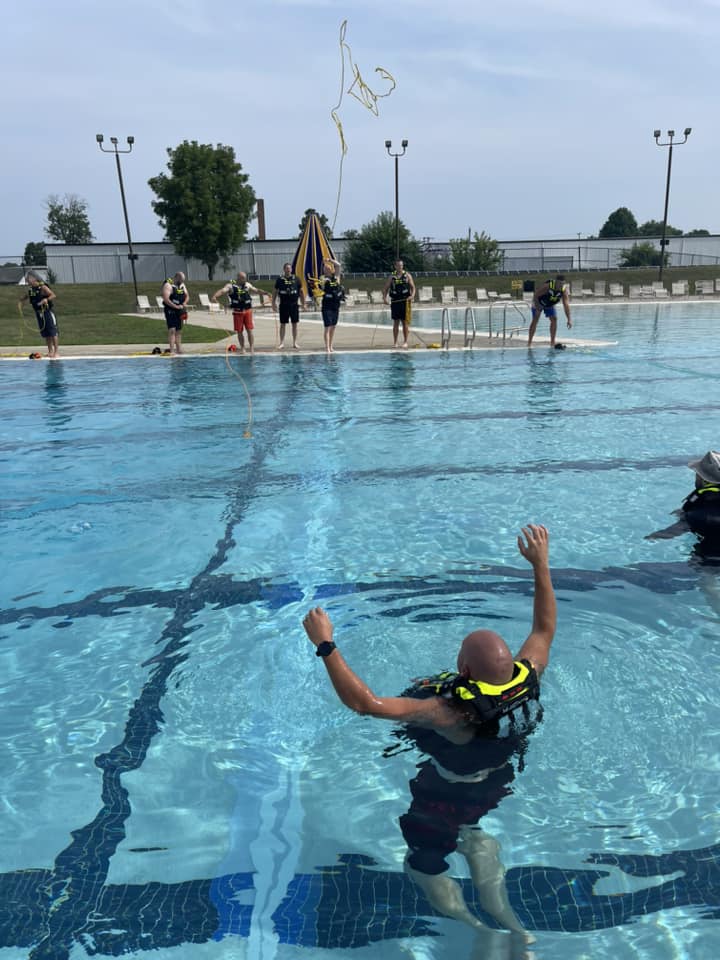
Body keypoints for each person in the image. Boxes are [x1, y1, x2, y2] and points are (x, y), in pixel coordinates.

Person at [303, 524, 556, 943]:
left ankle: (479, 929)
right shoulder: (529, 674)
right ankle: (516, 928)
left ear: (466, 671)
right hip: (497, 781)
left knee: (422, 863)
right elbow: (544, 629)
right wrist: (540, 564)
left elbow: (367, 704)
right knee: (473, 834)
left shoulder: (450, 712)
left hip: (445, 794)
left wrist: (325, 645)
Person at [646, 451, 720, 550]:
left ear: (704, 480)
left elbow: (671, 533)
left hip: (707, 561)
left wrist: (651, 537)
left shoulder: (696, 515)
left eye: (697, 473)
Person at [213, 272, 269, 354]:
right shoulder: (230, 286)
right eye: (243, 278)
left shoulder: (247, 285)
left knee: (250, 330)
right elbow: (222, 291)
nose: (244, 279)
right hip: (237, 311)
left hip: (248, 310)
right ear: (238, 278)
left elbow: (256, 290)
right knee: (239, 331)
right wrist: (215, 296)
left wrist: (266, 293)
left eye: (245, 277)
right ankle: (243, 348)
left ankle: (251, 348)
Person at [18, 271, 59, 358]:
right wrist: (21, 302)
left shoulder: (43, 287)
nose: (27, 280)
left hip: (47, 312)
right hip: (39, 313)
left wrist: (46, 300)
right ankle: (50, 351)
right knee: (46, 333)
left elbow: (53, 295)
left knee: (52, 332)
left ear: (34, 278)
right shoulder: (31, 289)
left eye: (28, 278)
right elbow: (25, 297)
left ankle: (56, 352)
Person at [528, 275, 572, 348]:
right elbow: (536, 295)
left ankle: (552, 342)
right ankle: (529, 343)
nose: (560, 285)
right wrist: (538, 307)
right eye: (559, 283)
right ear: (555, 282)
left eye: (562, 284)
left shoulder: (564, 290)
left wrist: (569, 319)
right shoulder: (548, 286)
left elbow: (566, 305)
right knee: (535, 319)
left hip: (549, 304)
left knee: (554, 319)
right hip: (538, 301)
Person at [383, 259, 416, 348]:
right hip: (395, 301)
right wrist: (384, 298)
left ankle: (405, 342)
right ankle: (395, 342)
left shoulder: (408, 276)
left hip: (405, 301)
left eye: (401, 265)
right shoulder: (391, 277)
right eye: (398, 265)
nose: (399, 267)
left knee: (405, 322)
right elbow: (386, 288)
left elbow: (413, 288)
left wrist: (412, 296)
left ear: (403, 266)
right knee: (396, 322)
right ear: (395, 266)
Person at [272, 263, 306, 350]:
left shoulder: (297, 279)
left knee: (295, 324)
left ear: (291, 269)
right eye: (286, 268)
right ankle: (282, 343)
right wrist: (273, 303)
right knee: (283, 324)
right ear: (284, 269)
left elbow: (301, 292)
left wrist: (303, 303)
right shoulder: (280, 280)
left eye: (289, 268)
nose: (288, 270)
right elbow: (275, 291)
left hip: (294, 305)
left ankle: (295, 342)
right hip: (283, 305)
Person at [319, 258, 344, 354]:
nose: (326, 270)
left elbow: (339, 265)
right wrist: (324, 281)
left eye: (328, 268)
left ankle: (331, 345)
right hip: (327, 305)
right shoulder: (323, 278)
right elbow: (322, 285)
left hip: (335, 305)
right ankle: (327, 347)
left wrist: (330, 260)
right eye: (325, 269)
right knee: (327, 326)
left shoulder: (336, 277)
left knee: (333, 326)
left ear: (331, 269)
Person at [161, 272, 189, 355]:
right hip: (170, 309)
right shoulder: (168, 285)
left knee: (178, 330)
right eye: (180, 280)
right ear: (176, 277)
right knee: (172, 329)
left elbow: (187, 296)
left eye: (182, 281)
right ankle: (172, 350)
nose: (181, 282)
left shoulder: (182, 285)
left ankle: (179, 349)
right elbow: (166, 299)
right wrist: (175, 306)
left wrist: (184, 303)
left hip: (179, 310)